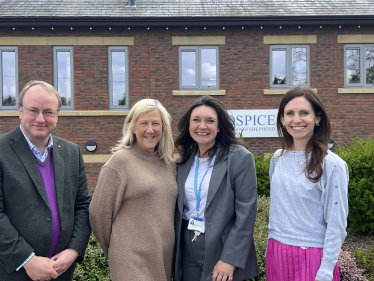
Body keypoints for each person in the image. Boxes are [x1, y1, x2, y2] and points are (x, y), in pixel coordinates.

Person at [0, 80, 92, 281]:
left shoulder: (72, 152)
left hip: (61, 272)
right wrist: (27, 260)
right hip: (13, 272)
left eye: (48, 112)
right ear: (20, 111)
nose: (40, 118)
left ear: (57, 115)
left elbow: (83, 205)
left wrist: (74, 250)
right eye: (33, 110)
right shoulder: (1, 150)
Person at [89, 99, 177, 281]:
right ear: (133, 127)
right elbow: (98, 213)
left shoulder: (167, 163)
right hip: (131, 261)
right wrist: (116, 250)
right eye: (143, 123)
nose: (150, 130)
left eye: (156, 124)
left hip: (163, 259)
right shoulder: (120, 161)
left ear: (164, 128)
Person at [266, 87, 349, 281]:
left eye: (304, 113)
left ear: (317, 118)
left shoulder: (332, 164)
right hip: (276, 251)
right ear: (282, 120)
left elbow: (337, 223)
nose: (296, 120)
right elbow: (279, 208)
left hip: (313, 257)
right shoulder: (277, 159)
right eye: (289, 114)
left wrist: (326, 270)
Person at [173, 96, 259, 281]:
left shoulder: (239, 158)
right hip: (187, 244)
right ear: (189, 125)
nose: (202, 126)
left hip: (221, 246)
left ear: (219, 127)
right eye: (196, 120)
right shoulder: (182, 161)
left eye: (210, 121)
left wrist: (230, 259)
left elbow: (247, 212)